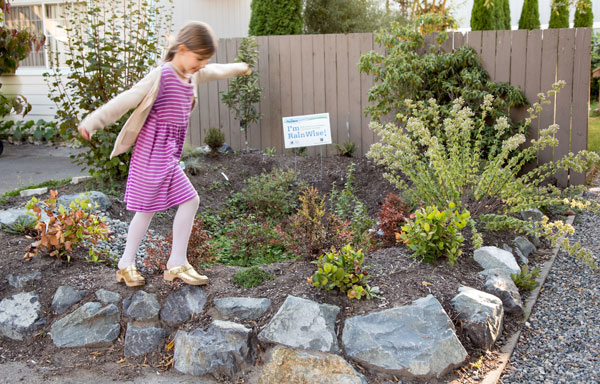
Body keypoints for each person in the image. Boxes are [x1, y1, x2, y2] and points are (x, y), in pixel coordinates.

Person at [78, 21, 250, 287]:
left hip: (168, 155)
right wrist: (92, 121)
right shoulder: (163, 75)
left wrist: (239, 68)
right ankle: (143, 264)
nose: (202, 64)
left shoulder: (191, 75)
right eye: (198, 58)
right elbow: (126, 99)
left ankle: (161, 263)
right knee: (161, 207)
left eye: (204, 60)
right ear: (182, 50)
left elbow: (214, 70)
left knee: (175, 204)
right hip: (151, 154)